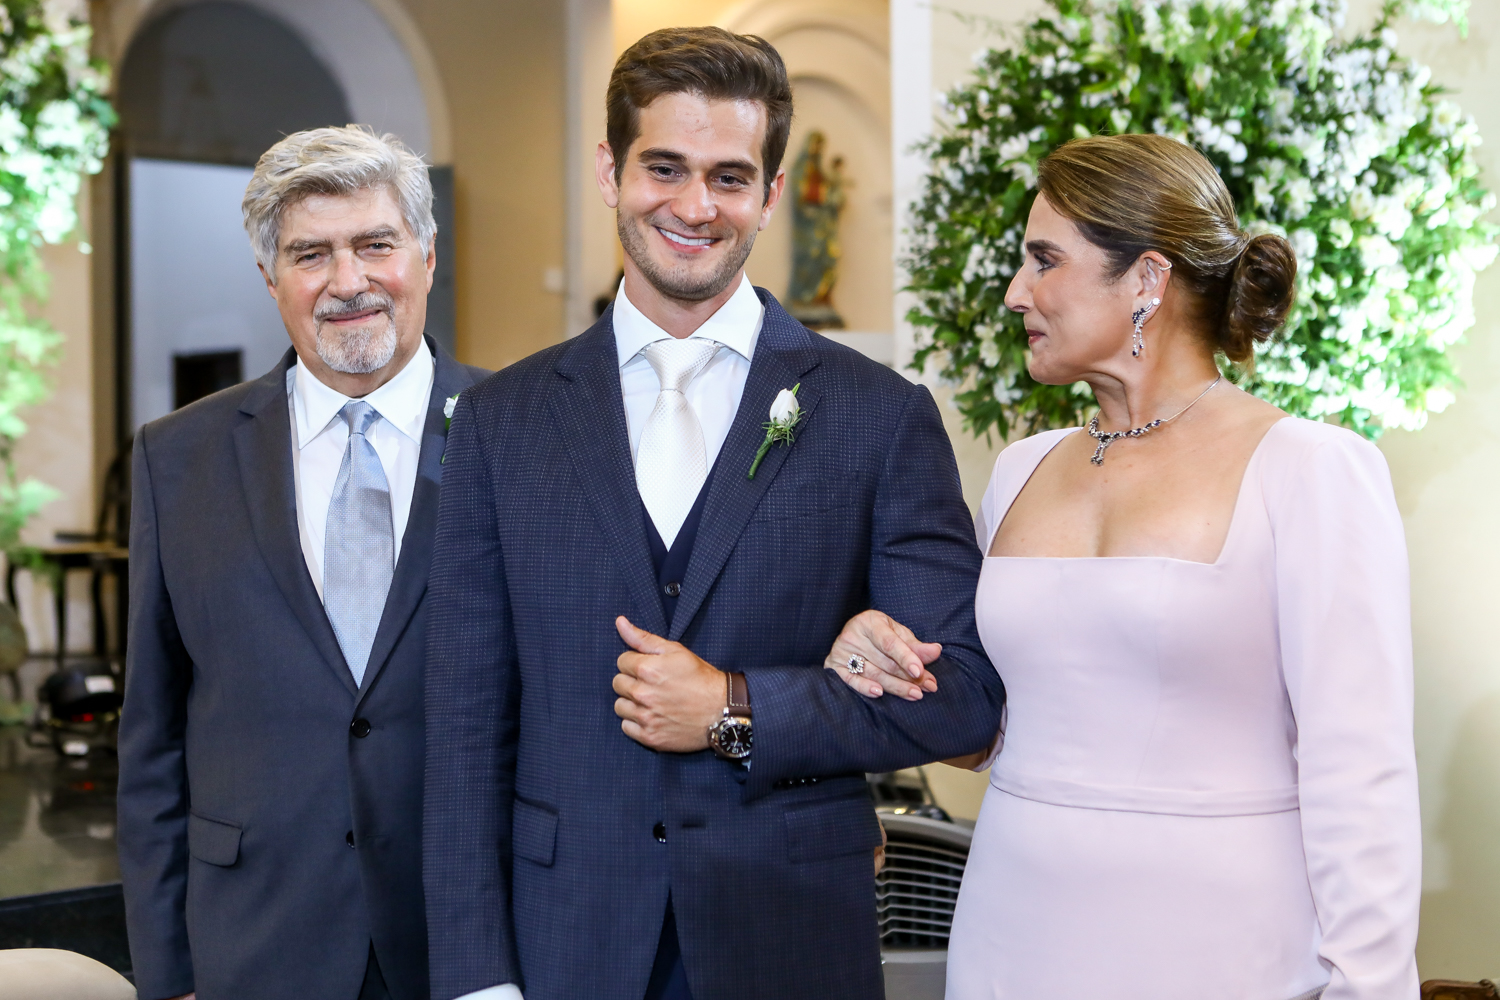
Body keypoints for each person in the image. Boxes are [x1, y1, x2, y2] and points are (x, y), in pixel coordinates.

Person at [422, 27, 1006, 1000]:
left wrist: (738, 710)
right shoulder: (499, 422)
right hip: (567, 942)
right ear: (609, 172)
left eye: (730, 178)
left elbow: (963, 698)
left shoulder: (878, 416)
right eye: (665, 168)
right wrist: (478, 979)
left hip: (789, 940)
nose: (696, 207)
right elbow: (463, 726)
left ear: (772, 195)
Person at [828, 133, 1422, 1000]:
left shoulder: (1310, 470)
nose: (1015, 291)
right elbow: (986, 729)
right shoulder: (1020, 470)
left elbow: (1362, 776)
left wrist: (1368, 986)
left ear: (1147, 278)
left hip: (1222, 949)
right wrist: (878, 657)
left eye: (1044, 261)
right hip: (1013, 933)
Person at [118, 125, 488, 1000]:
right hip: (253, 943)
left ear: (428, 255)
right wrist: (168, 973)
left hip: (468, 941)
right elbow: (152, 739)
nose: (348, 281)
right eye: (310, 254)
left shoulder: (519, 434)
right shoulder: (178, 458)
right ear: (269, 277)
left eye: (376, 244)